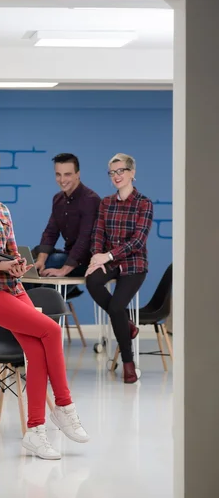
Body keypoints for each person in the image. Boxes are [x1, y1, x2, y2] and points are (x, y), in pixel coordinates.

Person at [0, 142, 90, 460]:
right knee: (51, 330)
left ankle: (35, 433)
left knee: (36, 351)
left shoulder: (2, 208)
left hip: (13, 287)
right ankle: (64, 406)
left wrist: (16, 264)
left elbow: (11, 253)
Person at [85, 153, 153, 384]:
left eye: (121, 171)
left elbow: (138, 241)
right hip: (109, 261)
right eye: (112, 172)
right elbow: (98, 233)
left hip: (134, 263)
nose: (116, 176)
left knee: (115, 306)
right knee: (92, 281)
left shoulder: (144, 203)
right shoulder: (106, 203)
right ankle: (126, 324)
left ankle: (128, 361)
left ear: (132, 173)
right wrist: (96, 258)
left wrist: (108, 255)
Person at [33, 153, 100, 295]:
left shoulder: (90, 200)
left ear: (78, 174)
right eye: (58, 174)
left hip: (88, 261)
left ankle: (43, 306)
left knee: (54, 261)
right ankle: (32, 308)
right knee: (31, 266)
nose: (62, 180)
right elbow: (50, 232)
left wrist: (63, 270)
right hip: (68, 256)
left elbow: (85, 240)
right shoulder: (58, 199)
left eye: (67, 174)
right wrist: (40, 261)